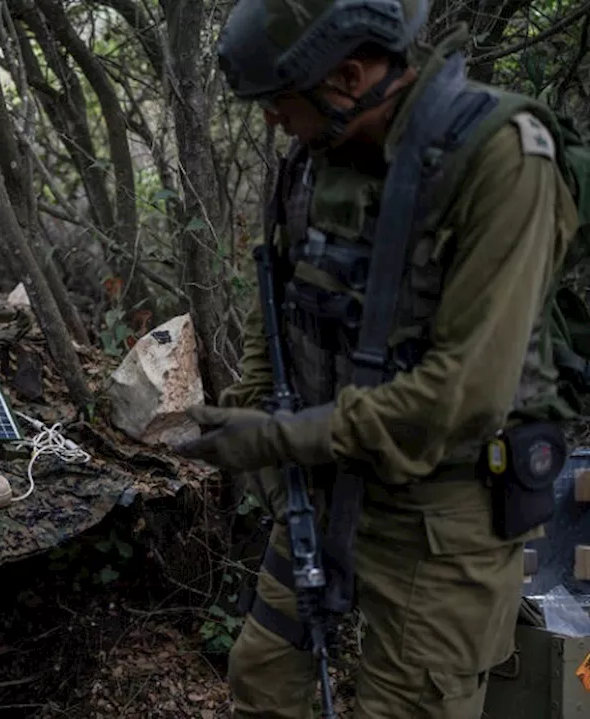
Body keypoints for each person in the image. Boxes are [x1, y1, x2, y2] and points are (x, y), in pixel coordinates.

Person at [172, 1, 580, 717]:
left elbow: (465, 394)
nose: (271, 120)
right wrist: (259, 423)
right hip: (321, 487)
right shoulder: (316, 156)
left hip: (443, 514)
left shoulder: (502, 159)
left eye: (279, 101)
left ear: (350, 75)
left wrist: (281, 437)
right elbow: (284, 302)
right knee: (264, 678)